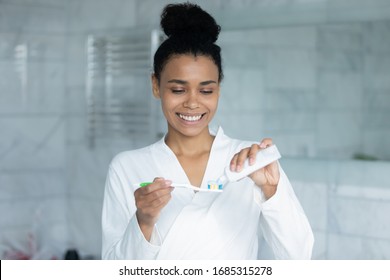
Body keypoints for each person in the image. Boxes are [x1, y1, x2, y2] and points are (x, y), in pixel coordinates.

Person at [101, 2, 314, 260]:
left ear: (219, 90)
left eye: (206, 90)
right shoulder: (127, 167)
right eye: (178, 89)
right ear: (156, 86)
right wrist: (143, 222)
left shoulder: (249, 162)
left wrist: (272, 191)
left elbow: (299, 257)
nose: (192, 102)